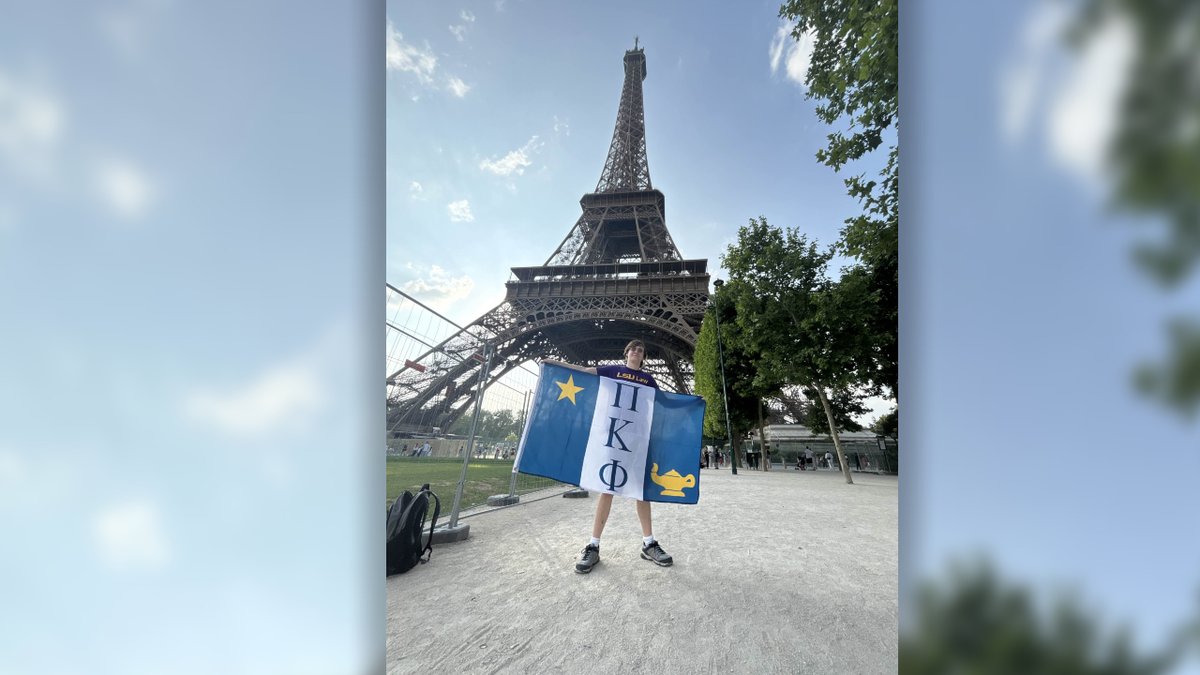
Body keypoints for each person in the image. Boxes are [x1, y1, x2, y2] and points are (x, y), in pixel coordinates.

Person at [542, 339, 674, 574]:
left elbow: (665, 404)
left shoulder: (648, 380)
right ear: (626, 353)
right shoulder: (612, 371)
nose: (636, 351)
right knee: (608, 489)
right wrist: (554, 363)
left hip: (638, 442)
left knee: (641, 492)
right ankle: (593, 545)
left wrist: (695, 402)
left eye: (641, 350)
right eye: (633, 348)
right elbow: (583, 372)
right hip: (614, 440)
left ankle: (649, 542)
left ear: (643, 357)